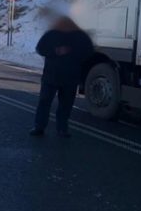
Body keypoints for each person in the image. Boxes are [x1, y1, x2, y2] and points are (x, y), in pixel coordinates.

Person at [30, 10, 94, 138]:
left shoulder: (80, 36)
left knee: (63, 104)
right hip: (53, 76)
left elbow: (88, 52)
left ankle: (60, 129)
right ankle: (40, 127)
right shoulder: (52, 34)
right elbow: (40, 49)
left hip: (67, 76)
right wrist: (56, 51)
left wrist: (74, 54)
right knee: (47, 102)